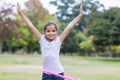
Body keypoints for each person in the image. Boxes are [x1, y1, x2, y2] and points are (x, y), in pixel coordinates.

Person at [17, 2, 83, 80]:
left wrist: (80, 15)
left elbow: (69, 27)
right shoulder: (41, 40)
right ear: (44, 32)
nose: (51, 33)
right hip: (46, 75)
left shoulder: (58, 40)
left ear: (56, 32)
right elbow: (31, 26)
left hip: (58, 74)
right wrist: (21, 13)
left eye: (53, 31)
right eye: (48, 31)